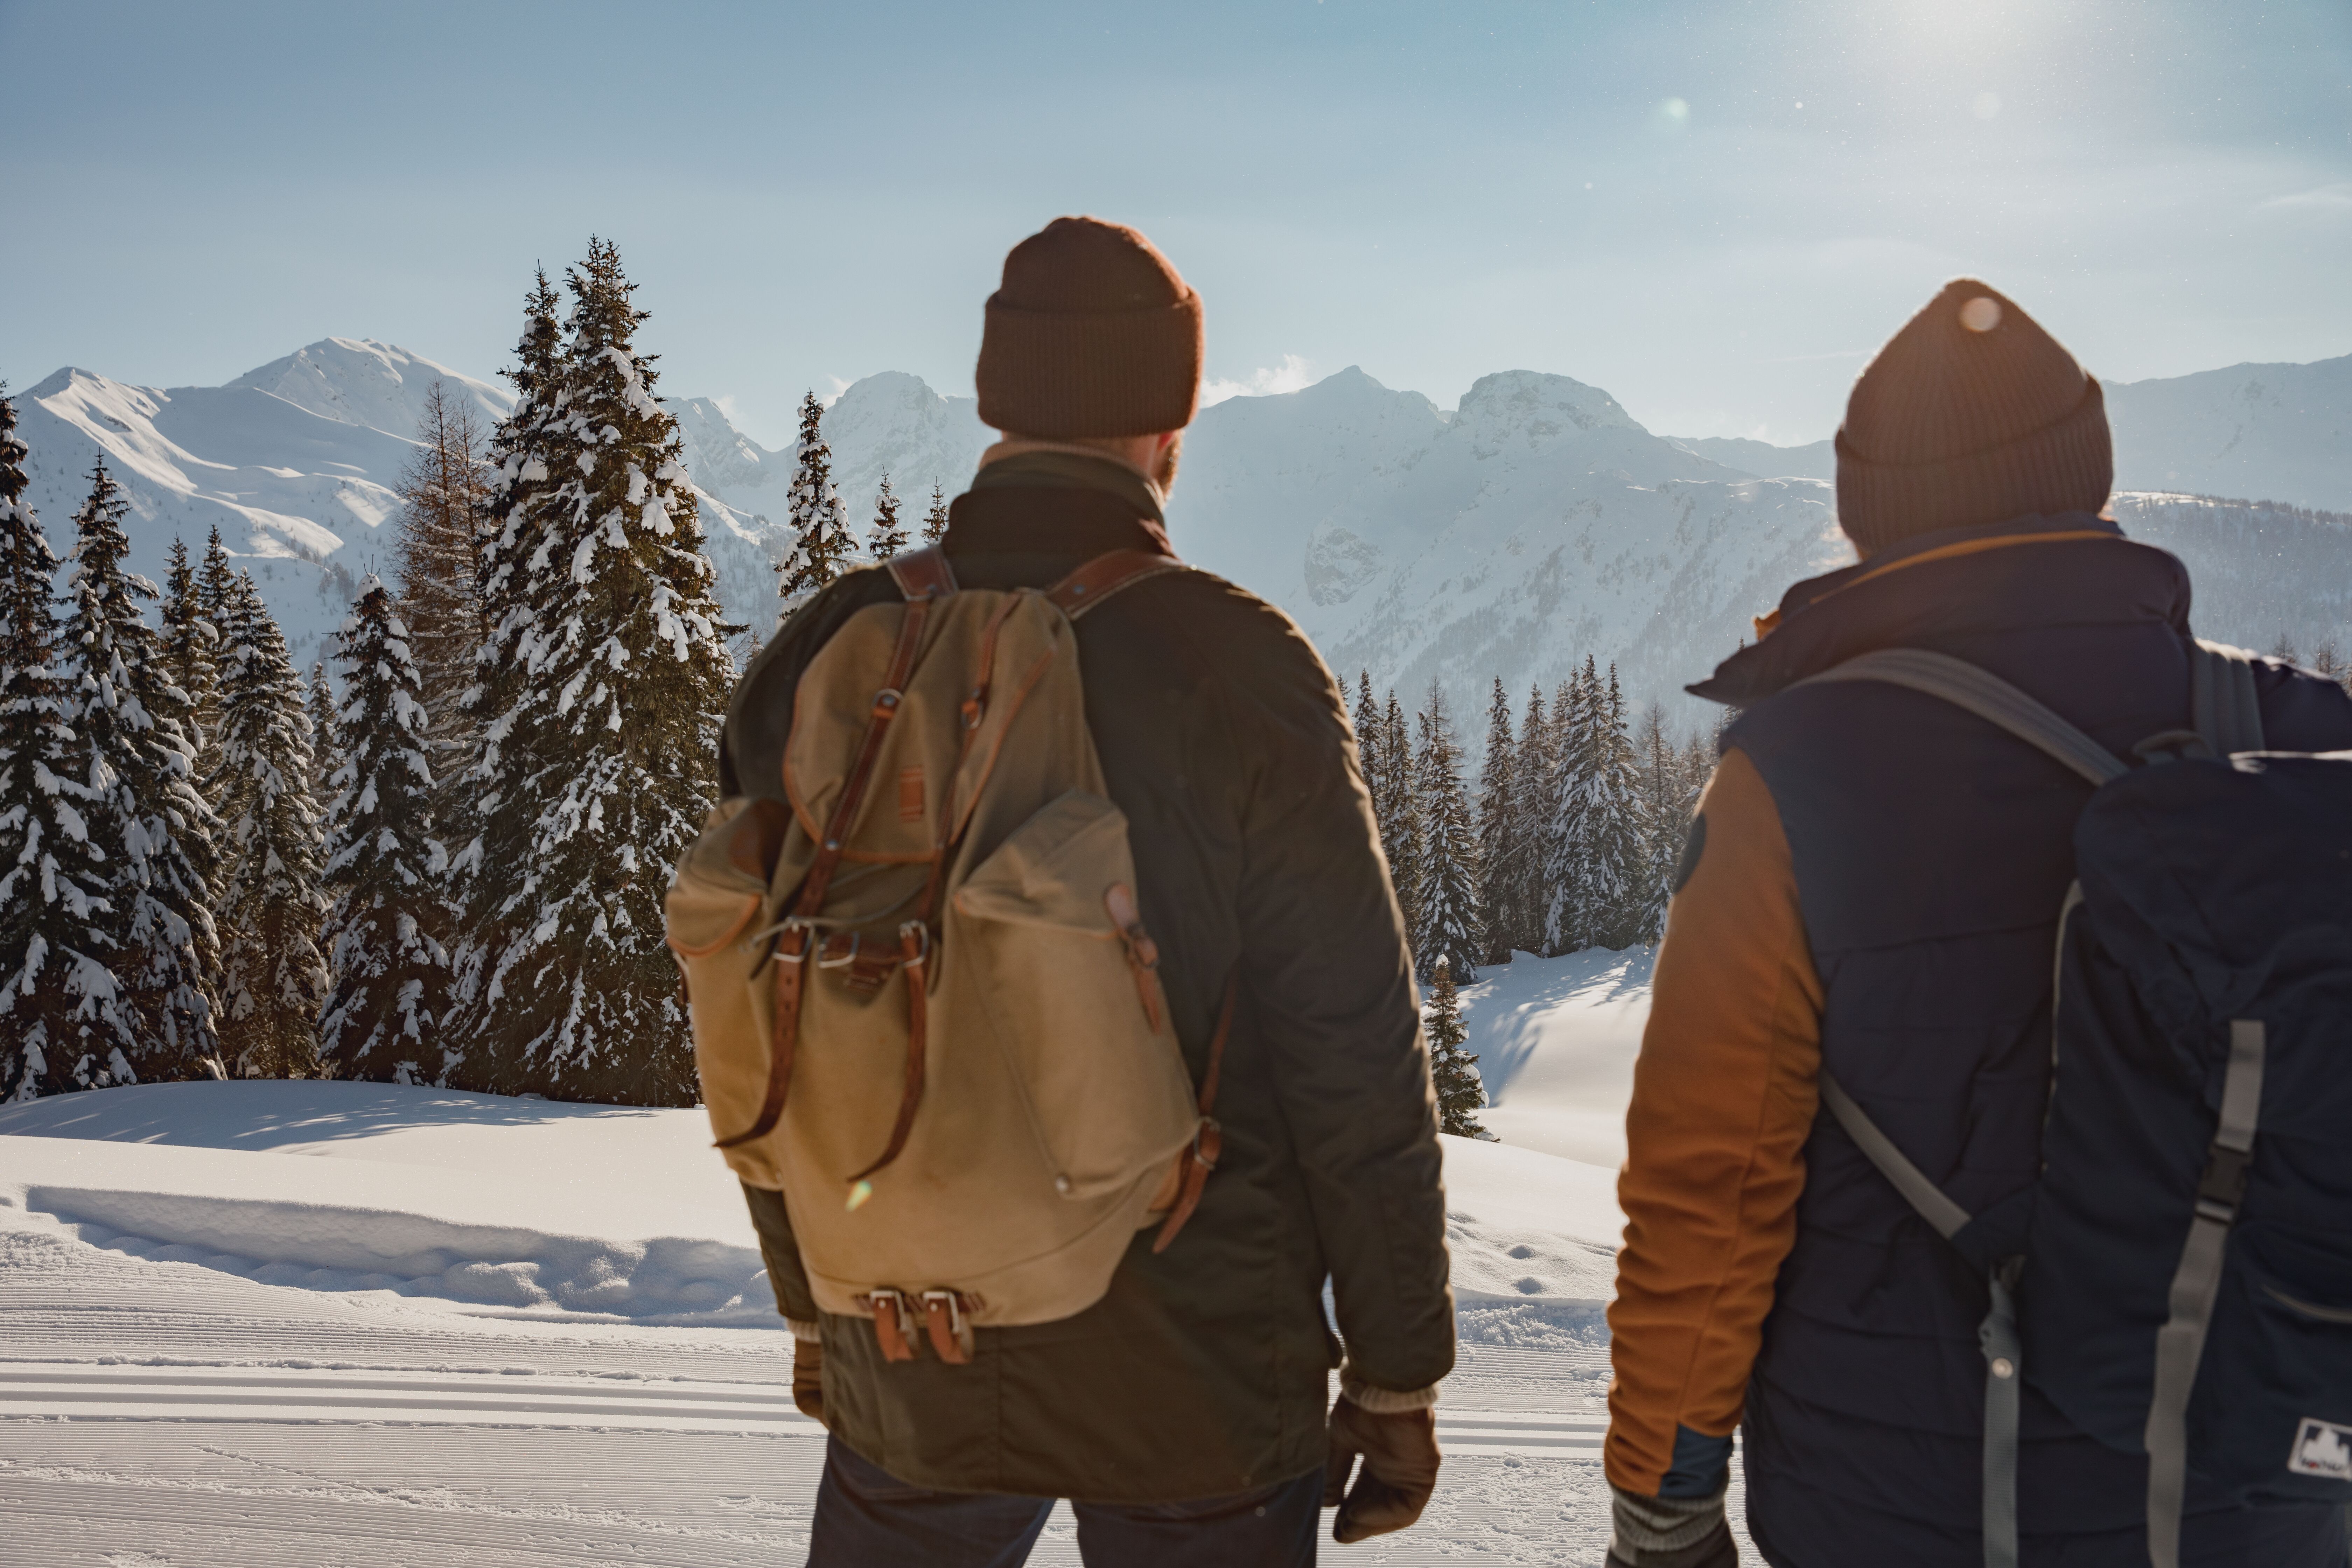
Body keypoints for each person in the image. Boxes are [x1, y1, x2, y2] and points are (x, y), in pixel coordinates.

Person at [718, 216, 1453, 1567]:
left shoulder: (830, 651)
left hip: (909, 1332)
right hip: (1196, 1376)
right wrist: (1399, 1373)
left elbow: (765, 1013)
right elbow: (1354, 1047)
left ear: (999, 406)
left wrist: (820, 1302)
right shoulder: (1237, 666)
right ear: (1170, 430)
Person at [1601, 279, 2352, 1567]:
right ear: (2092, 482)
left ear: (1866, 515)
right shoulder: (2306, 735)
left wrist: (1663, 1509)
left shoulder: (1797, 770)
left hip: (1911, 1494)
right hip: (2259, 1481)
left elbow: (1713, 1184)